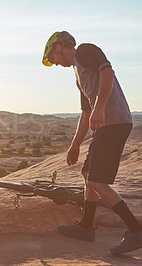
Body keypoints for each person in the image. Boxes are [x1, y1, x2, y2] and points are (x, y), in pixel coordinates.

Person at [42, 31, 142, 255]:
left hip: (114, 122)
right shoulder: (78, 75)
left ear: (58, 47)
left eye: (53, 58)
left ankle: (136, 230)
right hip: (104, 125)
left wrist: (99, 108)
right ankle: (87, 227)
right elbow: (86, 114)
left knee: (97, 181)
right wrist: (75, 145)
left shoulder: (85, 51)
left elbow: (108, 73)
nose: (56, 64)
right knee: (88, 173)